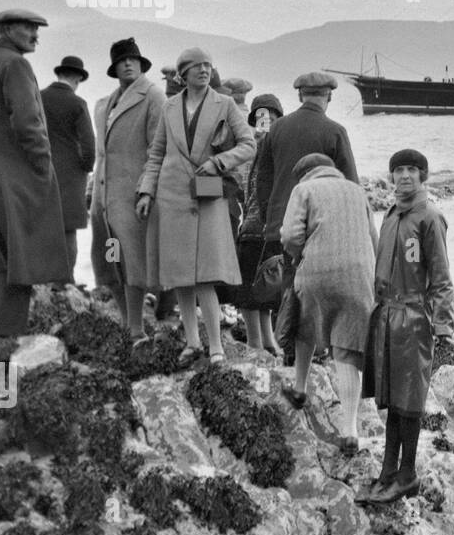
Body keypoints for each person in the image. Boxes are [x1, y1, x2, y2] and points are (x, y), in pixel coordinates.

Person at [136, 48, 255, 363]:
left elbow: (249, 144)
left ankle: (215, 346)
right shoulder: (169, 107)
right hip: (172, 196)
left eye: (207, 66)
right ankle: (192, 344)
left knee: (205, 275)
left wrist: (219, 162)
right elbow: (157, 152)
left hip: (206, 196)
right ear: (182, 74)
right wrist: (146, 191)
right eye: (196, 66)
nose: (203, 71)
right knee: (179, 277)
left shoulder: (225, 104)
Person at [0, 9, 71, 340]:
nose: (36, 35)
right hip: (14, 176)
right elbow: (27, 122)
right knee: (18, 256)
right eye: (30, 28)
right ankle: (7, 338)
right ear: (8, 29)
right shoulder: (15, 64)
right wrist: (42, 164)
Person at [357, 148, 454, 505]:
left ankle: (407, 474)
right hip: (386, 316)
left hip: (414, 320)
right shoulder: (391, 215)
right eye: (399, 170)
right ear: (391, 177)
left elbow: (442, 279)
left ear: (423, 176)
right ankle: (387, 473)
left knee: (410, 400)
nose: (405, 176)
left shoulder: (429, 218)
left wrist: (443, 324)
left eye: (412, 170)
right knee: (392, 399)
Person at [279, 153, 377, 455]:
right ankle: (349, 431)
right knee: (346, 350)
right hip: (359, 276)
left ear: (304, 174)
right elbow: (374, 238)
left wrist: (298, 256)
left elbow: (290, 235)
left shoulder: (304, 190)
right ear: (331, 170)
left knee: (304, 326)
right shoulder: (357, 191)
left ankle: (299, 388)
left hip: (318, 272)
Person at [91, 38, 166, 341]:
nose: (128, 64)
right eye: (122, 60)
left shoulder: (153, 97)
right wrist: (92, 190)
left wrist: (147, 190)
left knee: (133, 261)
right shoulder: (106, 103)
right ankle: (126, 320)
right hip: (104, 200)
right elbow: (101, 154)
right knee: (110, 262)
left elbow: (158, 150)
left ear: (141, 64)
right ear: (114, 68)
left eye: (133, 59)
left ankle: (136, 327)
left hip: (133, 197)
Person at [255, 71, 358, 260]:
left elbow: (262, 180)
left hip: (280, 227)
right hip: (318, 229)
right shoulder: (335, 131)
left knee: (283, 285)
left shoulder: (276, 128)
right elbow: (351, 187)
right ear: (330, 96)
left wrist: (268, 218)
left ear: (300, 95)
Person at [232, 93, 284, 356]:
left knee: (266, 287)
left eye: (271, 118)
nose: (266, 124)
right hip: (251, 227)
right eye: (261, 119)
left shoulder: (278, 149)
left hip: (268, 227)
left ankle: (265, 340)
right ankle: (257, 340)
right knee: (250, 288)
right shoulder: (250, 148)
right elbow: (243, 188)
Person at [41, 55, 97, 275]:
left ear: (59, 74)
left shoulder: (38, 97)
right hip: (71, 176)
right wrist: (86, 166)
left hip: (41, 171)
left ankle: (43, 276)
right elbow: (89, 144)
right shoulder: (77, 103)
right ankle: (65, 278)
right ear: (76, 78)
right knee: (68, 232)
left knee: (44, 228)